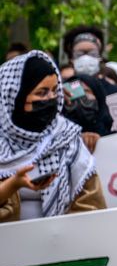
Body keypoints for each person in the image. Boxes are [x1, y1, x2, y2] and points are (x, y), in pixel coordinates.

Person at [0, 51, 106, 221]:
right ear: (15, 98)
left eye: (55, 90)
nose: (51, 98)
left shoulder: (66, 137)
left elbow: (91, 204)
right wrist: (13, 184)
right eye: (42, 93)